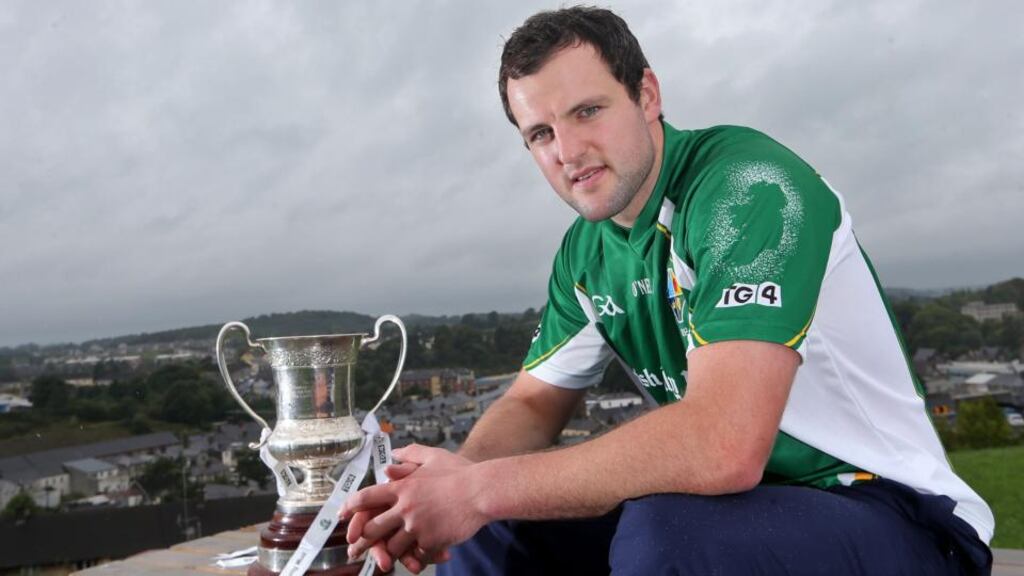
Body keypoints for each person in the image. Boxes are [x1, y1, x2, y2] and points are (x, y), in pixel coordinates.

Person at [341, 6, 994, 575]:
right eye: (540, 134)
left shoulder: (748, 188)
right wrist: (449, 489)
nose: (567, 151)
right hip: (740, 514)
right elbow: (534, 406)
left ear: (647, 95)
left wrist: (480, 488)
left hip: (896, 516)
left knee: (667, 533)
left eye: (588, 111)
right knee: (490, 531)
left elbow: (724, 445)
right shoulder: (586, 250)